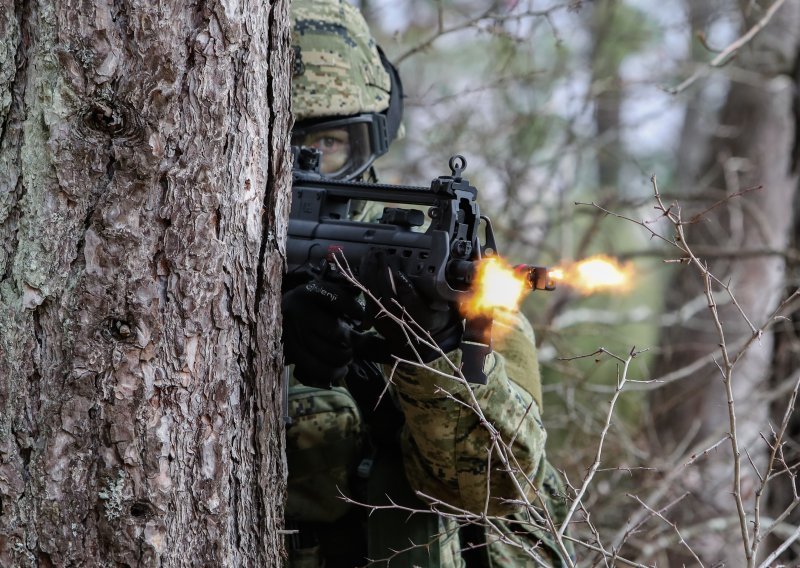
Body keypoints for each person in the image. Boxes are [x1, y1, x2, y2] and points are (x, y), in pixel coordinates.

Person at [282, 1, 574, 566]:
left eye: (331, 145)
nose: (303, 169)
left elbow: (496, 490)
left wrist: (429, 347)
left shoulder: (430, 286)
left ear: (375, 140)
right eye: (273, 143)